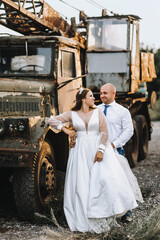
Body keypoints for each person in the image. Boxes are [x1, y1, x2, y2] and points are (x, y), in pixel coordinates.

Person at [48, 87, 139, 234]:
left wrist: (101, 150)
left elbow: (105, 132)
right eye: (91, 96)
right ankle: (83, 216)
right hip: (79, 151)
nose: (94, 98)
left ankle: (104, 212)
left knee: (102, 180)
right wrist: (66, 130)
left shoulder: (97, 111)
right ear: (83, 99)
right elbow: (51, 120)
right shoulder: (72, 114)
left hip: (96, 148)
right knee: (81, 182)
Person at [98, 83, 144, 208]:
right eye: (101, 93)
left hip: (115, 150)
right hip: (100, 151)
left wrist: (114, 144)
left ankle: (126, 211)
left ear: (114, 94)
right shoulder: (96, 110)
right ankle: (108, 209)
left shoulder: (122, 111)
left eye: (105, 93)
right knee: (103, 180)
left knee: (120, 181)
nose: (102, 95)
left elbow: (129, 130)